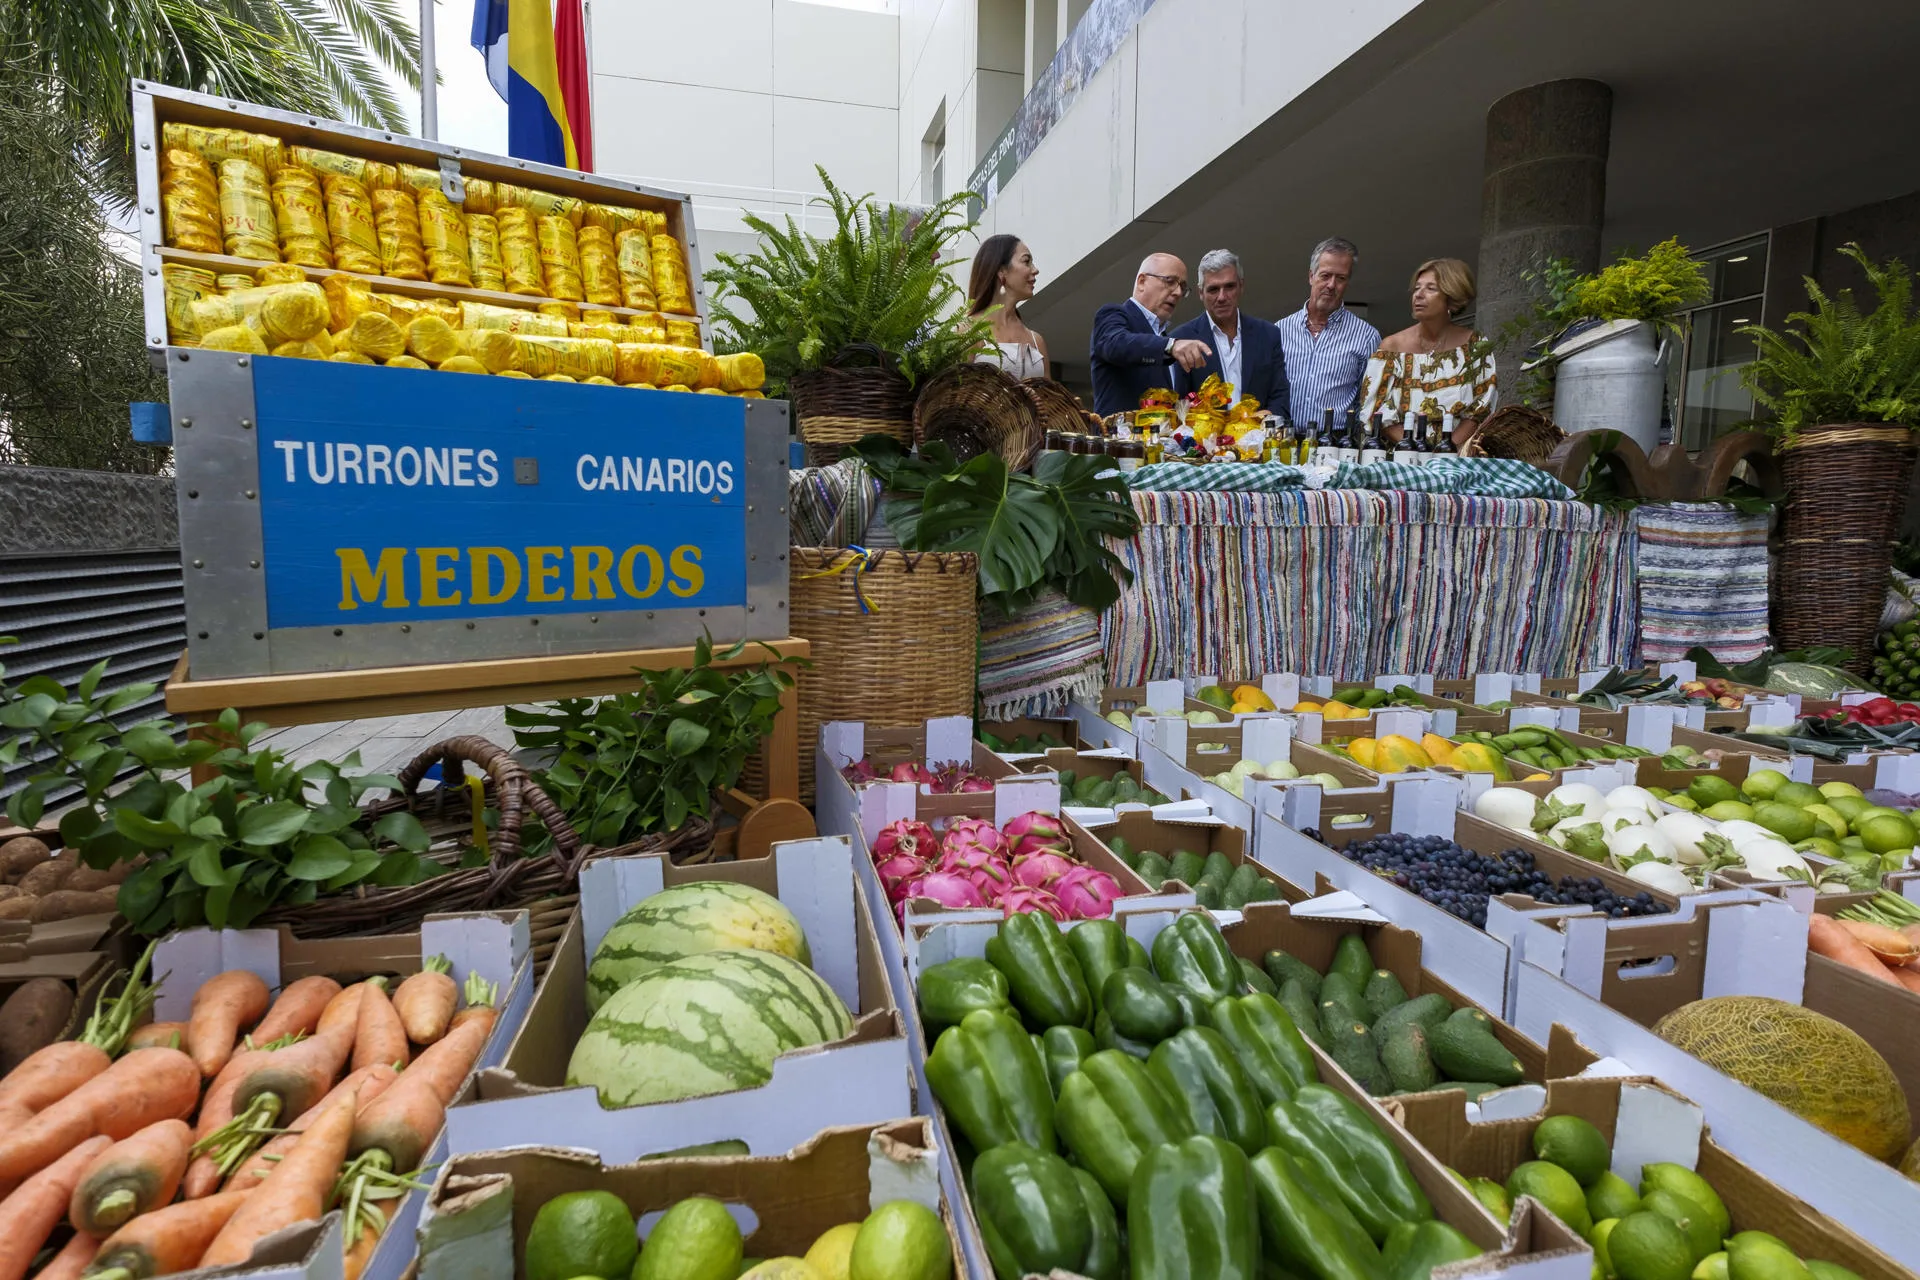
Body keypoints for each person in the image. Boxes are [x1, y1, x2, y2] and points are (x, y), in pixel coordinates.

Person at [1357, 257, 1497, 448]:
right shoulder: (1391, 347)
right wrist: (1415, 449)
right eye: (1417, 288)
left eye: (1431, 289)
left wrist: (1446, 450)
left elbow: (1481, 409)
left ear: (1452, 296)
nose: (1418, 295)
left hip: (1455, 458)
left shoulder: (1475, 346)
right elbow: (1374, 410)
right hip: (1401, 456)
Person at [1277, 237, 1382, 429]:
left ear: (1347, 282)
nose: (1332, 285)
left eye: (1340, 278)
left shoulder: (1366, 337)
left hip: (1335, 446)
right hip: (1284, 443)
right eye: (1325, 276)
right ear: (1311, 276)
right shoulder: (1279, 331)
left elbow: (1367, 403)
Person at [1169, 249, 1290, 415]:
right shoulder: (1181, 340)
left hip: (1259, 437)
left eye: (1229, 287)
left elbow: (1280, 396)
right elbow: (1178, 404)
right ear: (1200, 293)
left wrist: (1268, 418)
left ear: (1241, 286)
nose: (1222, 297)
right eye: (1213, 289)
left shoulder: (1268, 334)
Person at [1089, 253, 1211, 417]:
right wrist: (1170, 346)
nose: (1177, 292)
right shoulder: (1113, 314)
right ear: (1141, 282)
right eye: (1170, 281)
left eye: (1182, 286)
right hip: (1120, 440)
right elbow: (1116, 344)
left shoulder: (1166, 340)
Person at [965, 234, 1049, 380]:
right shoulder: (967, 331)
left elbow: (1051, 399)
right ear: (1001, 270)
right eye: (1027, 261)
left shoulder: (1037, 341)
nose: (1035, 270)